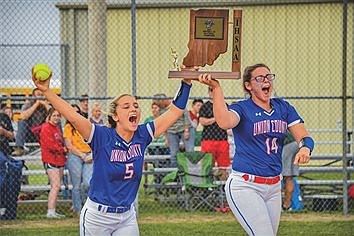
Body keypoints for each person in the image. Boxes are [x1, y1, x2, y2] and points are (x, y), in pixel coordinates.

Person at [31, 68, 192, 235]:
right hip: (97, 217)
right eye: (127, 106)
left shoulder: (142, 134)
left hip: (127, 216)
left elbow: (175, 111)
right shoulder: (101, 136)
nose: (134, 109)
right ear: (115, 116)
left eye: (136, 106)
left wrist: (186, 83)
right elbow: (72, 115)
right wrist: (46, 91)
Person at [197, 63, 314, 236]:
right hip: (245, 185)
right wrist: (216, 88)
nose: (266, 81)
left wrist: (305, 149)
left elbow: (304, 137)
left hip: (274, 186)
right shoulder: (242, 108)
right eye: (259, 78)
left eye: (268, 77)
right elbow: (224, 122)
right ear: (248, 85)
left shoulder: (283, 107)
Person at [63, 104, 93, 217]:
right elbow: (69, 146)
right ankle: (78, 210)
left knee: (88, 183)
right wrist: (82, 155)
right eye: (72, 111)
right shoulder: (68, 127)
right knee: (76, 186)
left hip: (88, 155)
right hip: (75, 156)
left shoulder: (84, 124)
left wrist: (90, 155)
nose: (74, 114)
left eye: (77, 112)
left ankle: (88, 207)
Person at [39, 107, 67, 218]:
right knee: (55, 186)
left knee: (56, 186)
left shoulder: (56, 128)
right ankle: (50, 211)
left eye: (58, 116)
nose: (56, 118)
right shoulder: (46, 128)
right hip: (51, 160)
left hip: (59, 160)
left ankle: (53, 210)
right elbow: (50, 145)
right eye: (54, 115)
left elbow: (59, 142)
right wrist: (63, 150)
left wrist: (63, 150)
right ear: (49, 116)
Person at [199, 87, 230, 181]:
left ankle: (222, 189)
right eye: (211, 90)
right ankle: (208, 187)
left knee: (223, 166)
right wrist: (216, 119)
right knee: (208, 165)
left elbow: (228, 120)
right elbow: (202, 121)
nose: (213, 93)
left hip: (222, 139)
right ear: (209, 92)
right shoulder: (205, 106)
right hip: (208, 139)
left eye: (215, 91)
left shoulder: (224, 105)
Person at [154, 94, 193, 167]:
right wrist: (166, 138)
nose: (158, 106)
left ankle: (190, 172)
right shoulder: (161, 110)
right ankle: (175, 173)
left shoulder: (176, 103)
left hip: (184, 128)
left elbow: (186, 116)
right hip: (171, 131)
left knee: (189, 152)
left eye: (159, 104)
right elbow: (163, 124)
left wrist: (186, 130)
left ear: (163, 101)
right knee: (174, 154)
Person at [12, 88, 50, 156]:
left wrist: (46, 105)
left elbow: (53, 117)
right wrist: (36, 104)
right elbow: (23, 117)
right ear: (33, 96)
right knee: (22, 122)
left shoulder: (46, 104)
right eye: (38, 95)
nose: (40, 97)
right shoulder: (28, 104)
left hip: (42, 132)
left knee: (54, 121)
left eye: (42, 95)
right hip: (30, 133)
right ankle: (19, 148)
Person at [281, 132, 300, 211]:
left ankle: (281, 205)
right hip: (296, 143)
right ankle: (287, 205)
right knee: (289, 177)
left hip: (287, 144)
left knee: (277, 176)